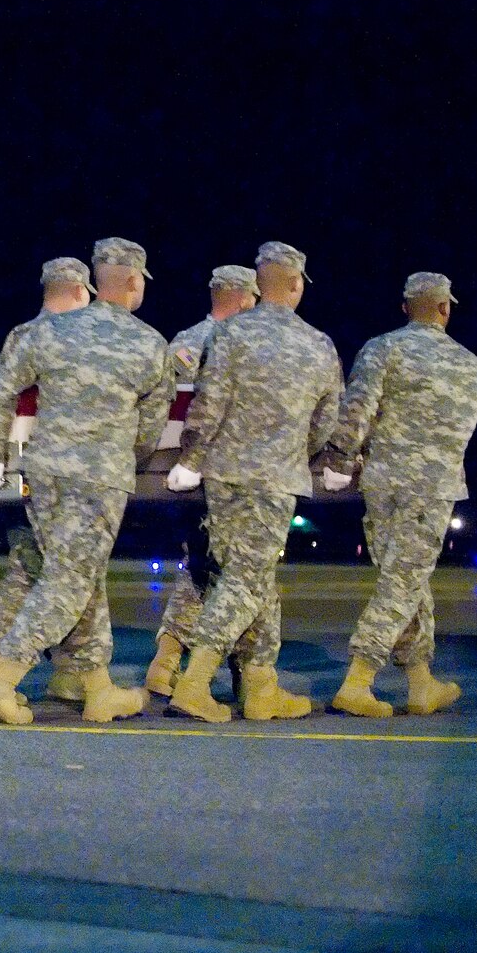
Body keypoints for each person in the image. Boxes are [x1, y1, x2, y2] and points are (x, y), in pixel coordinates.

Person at [0, 238, 171, 725]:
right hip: (100, 477)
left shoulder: (47, 333)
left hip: (46, 474)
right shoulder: (149, 343)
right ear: (130, 281)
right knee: (68, 580)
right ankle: (0, 682)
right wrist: (129, 458)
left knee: (82, 577)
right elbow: (150, 426)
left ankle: (98, 687)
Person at [165, 242, 341, 722]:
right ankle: (195, 682)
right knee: (246, 579)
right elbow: (327, 422)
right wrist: (295, 453)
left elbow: (208, 400)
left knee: (250, 576)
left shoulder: (231, 334)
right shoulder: (318, 344)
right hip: (276, 474)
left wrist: (193, 458)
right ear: (297, 284)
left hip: (223, 474)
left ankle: (261, 685)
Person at [325, 273, 477, 718]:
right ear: (445, 308)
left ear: (404, 308)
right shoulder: (472, 367)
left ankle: (420, 682)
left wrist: (340, 462)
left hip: (383, 481)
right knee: (403, 581)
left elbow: (358, 410)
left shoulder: (383, 348)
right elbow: (461, 433)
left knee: (403, 579)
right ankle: (358, 681)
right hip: (433, 487)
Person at [0, 256, 93, 701]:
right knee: (71, 571)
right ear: (80, 292)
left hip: (21, 469)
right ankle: (71, 671)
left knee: (27, 569)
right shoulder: (81, 338)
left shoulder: (22, 335)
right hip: (66, 472)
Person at [145, 264, 260, 695]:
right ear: (246, 298)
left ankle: (167, 658)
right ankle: (244, 674)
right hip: (237, 474)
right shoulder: (250, 344)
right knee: (242, 576)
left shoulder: (184, 344)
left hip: (182, 476)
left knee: (201, 567)